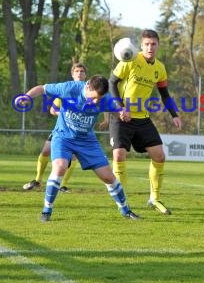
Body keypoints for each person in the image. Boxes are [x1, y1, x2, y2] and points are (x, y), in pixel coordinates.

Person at [14, 75, 140, 221]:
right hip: (63, 137)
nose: (95, 102)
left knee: (108, 177)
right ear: (87, 87)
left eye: (98, 99)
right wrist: (28, 97)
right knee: (60, 167)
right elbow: (42, 88)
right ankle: (46, 211)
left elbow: (116, 110)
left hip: (87, 140)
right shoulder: (69, 88)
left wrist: (122, 113)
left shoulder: (103, 98)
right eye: (92, 98)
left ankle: (126, 211)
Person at [108, 29, 182, 215]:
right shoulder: (130, 59)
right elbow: (111, 82)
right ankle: (122, 202)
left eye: (153, 44)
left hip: (142, 118)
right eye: (147, 44)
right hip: (121, 117)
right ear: (141, 46)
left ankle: (154, 198)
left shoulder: (160, 68)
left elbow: (164, 94)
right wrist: (120, 107)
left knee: (159, 156)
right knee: (118, 155)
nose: (150, 47)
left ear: (158, 45)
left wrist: (174, 114)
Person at [22, 63, 109, 192]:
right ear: (72, 74)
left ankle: (63, 185)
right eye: (77, 71)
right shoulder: (66, 89)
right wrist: (66, 114)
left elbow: (104, 103)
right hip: (63, 131)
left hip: (81, 133)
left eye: (82, 71)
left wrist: (106, 119)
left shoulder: (94, 91)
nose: (79, 73)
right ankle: (37, 180)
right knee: (46, 151)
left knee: (72, 158)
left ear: (86, 75)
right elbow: (53, 110)